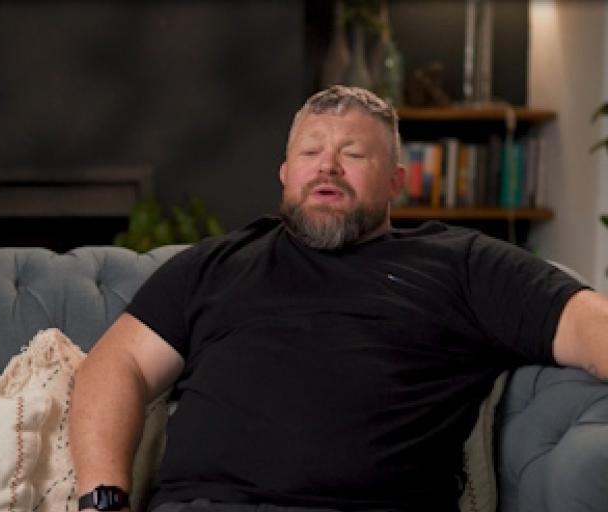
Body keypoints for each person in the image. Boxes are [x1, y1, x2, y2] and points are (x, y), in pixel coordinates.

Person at [69, 85, 607, 512]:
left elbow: (586, 322)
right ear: (285, 174)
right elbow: (117, 365)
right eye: (311, 152)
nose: (327, 166)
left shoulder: (460, 263)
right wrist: (103, 500)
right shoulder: (215, 265)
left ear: (397, 181)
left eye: (353, 155)